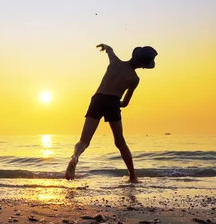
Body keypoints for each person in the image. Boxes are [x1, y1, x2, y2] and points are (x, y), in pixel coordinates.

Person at [65, 44, 158, 182]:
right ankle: (132, 176)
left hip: (97, 99)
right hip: (113, 102)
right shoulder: (134, 79)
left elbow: (110, 51)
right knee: (120, 142)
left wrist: (106, 47)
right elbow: (125, 103)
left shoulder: (115, 62)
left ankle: (75, 157)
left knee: (84, 140)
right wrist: (114, 104)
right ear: (143, 66)